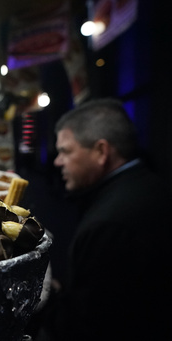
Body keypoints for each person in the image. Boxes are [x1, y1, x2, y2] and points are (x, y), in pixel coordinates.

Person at [36, 98, 172, 340]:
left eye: (65, 151)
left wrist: (50, 300)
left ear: (101, 151)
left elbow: (87, 324)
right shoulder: (153, 185)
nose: (57, 161)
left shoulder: (107, 226)